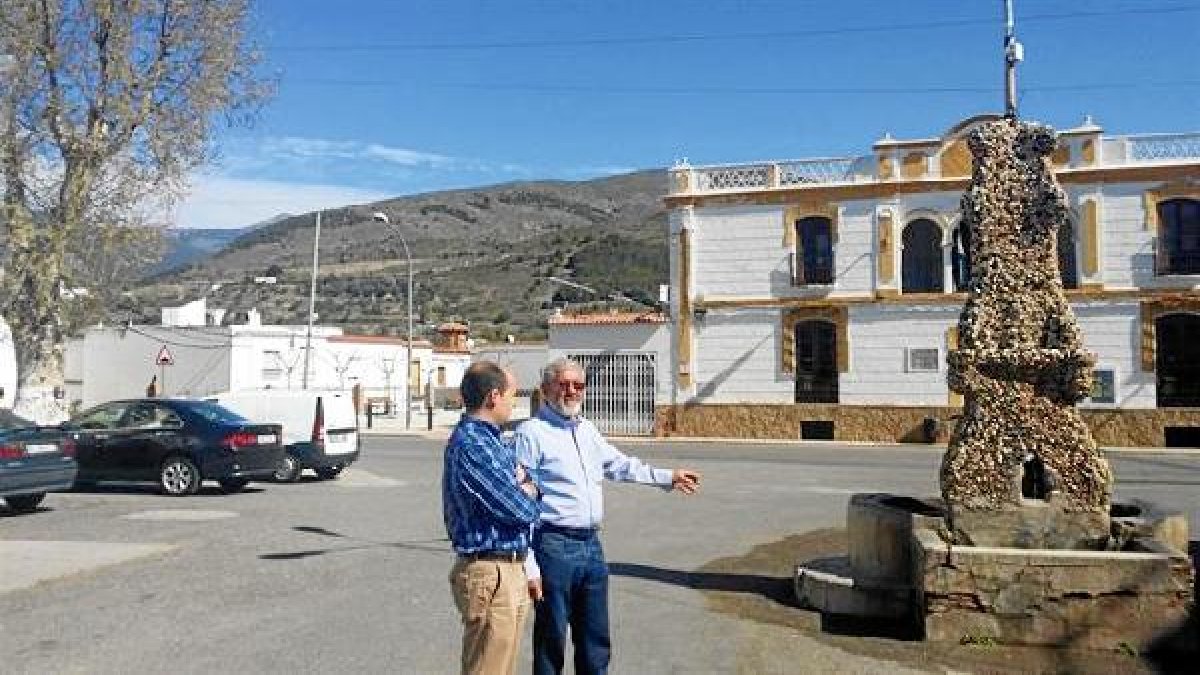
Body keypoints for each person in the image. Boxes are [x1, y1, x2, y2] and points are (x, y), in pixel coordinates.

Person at [514, 358, 701, 675]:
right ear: (545, 389)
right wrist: (529, 563)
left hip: (591, 548)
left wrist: (667, 476)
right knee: (551, 639)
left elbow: (620, 465)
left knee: (595, 639)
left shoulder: (587, 430)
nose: (571, 391)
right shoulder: (531, 433)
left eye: (578, 385)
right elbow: (519, 501)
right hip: (553, 547)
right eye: (563, 384)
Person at [443, 362, 542, 675]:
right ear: (493, 396)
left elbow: (531, 480)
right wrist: (527, 490)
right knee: (488, 668)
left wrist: (528, 487)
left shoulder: (493, 440)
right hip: (491, 572)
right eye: (512, 396)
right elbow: (520, 508)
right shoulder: (473, 444)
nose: (514, 404)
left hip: (508, 567)